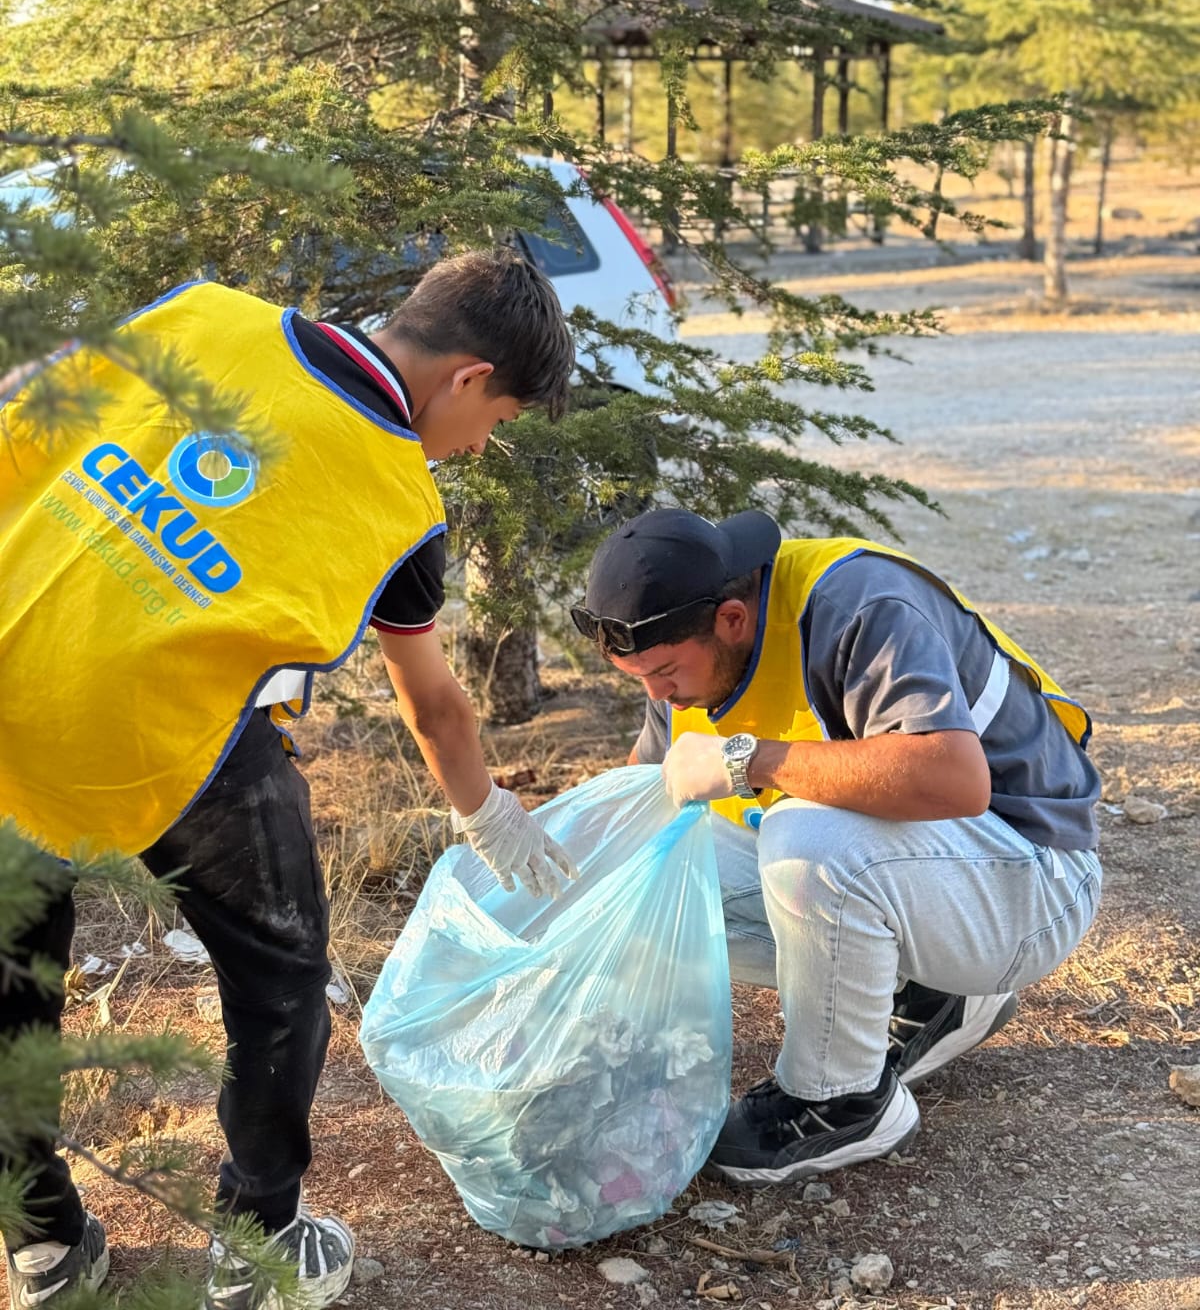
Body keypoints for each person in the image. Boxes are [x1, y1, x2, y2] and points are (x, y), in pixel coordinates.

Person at [1, 253, 577, 1309]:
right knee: (280, 970)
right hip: (159, 735)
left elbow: (24, 404)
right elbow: (433, 701)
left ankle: (40, 1239)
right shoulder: (399, 503)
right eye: (495, 417)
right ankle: (258, 1242)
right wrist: (486, 813)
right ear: (466, 377)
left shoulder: (202, 313)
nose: (480, 443)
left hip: (7, 672)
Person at [572, 507, 1102, 1187]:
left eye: (665, 672)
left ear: (732, 619)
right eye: (637, 676)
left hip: (1032, 881)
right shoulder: (680, 646)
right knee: (649, 876)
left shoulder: (856, 605)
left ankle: (841, 1101)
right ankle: (936, 992)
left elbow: (955, 779)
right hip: (935, 882)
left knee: (807, 841)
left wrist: (747, 759)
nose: (656, 694)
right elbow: (648, 797)